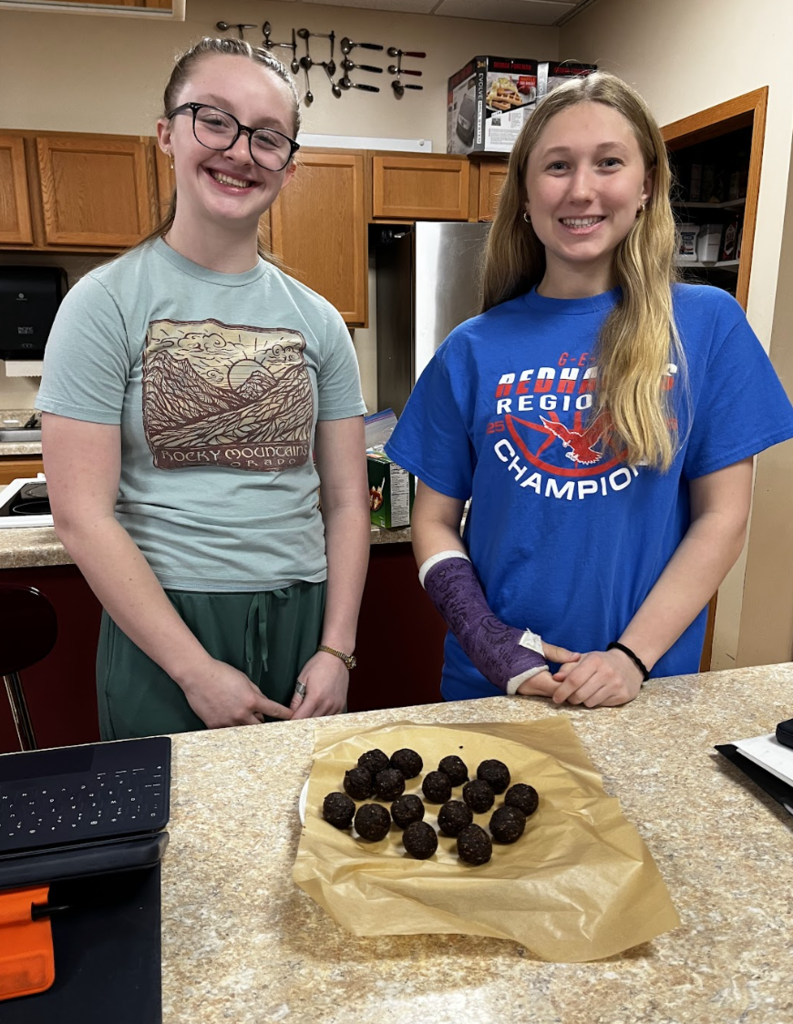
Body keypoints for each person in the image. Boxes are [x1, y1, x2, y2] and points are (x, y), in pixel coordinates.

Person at [385, 71, 793, 708]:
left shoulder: (705, 326)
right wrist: (492, 642)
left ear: (646, 184)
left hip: (646, 688)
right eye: (556, 166)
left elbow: (723, 516)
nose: (582, 189)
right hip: (495, 688)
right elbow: (434, 522)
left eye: (608, 162)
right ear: (524, 190)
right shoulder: (472, 347)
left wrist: (631, 657)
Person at [37, 39, 369, 739]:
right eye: (213, 120)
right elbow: (81, 516)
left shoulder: (319, 321)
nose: (240, 151)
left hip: (303, 616)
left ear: (289, 163)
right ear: (166, 133)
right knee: (175, 835)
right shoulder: (105, 303)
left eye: (268, 137)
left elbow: (344, 502)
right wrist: (192, 668)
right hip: (164, 622)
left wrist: (337, 648)